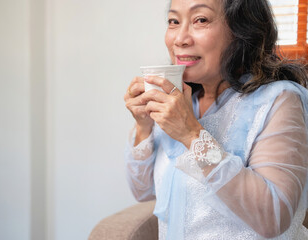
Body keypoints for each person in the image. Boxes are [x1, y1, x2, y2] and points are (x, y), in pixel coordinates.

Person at [124, 0, 308, 239]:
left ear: (242, 30)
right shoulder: (181, 101)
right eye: (174, 21)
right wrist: (144, 125)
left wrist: (191, 134)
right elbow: (143, 191)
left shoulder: (279, 101)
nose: (180, 39)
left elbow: (272, 218)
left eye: (200, 20)